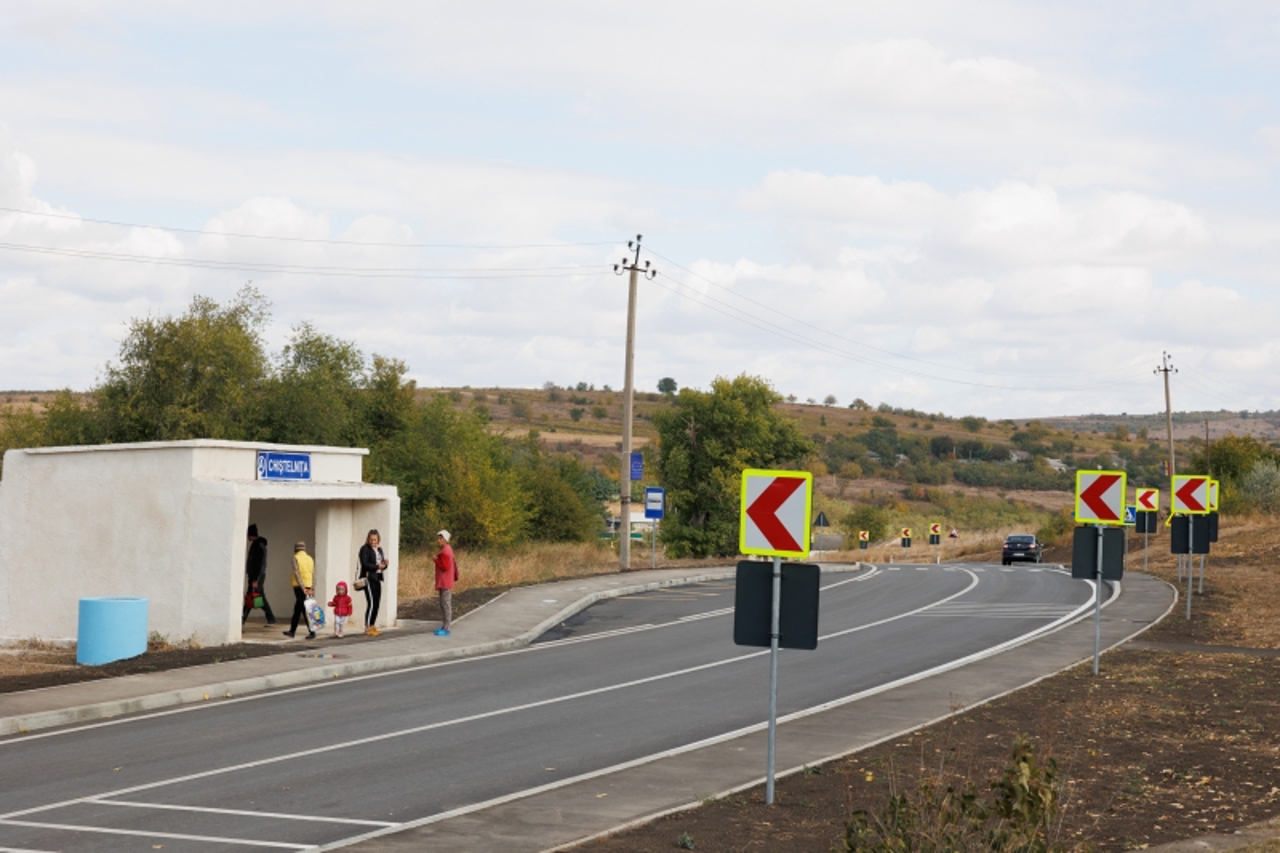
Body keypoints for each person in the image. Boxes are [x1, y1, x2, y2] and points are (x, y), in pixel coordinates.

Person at [242, 524, 276, 626]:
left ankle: (242, 619)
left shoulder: (258, 546)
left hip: (257, 577)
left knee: (253, 596)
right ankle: (270, 618)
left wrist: (255, 579)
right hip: (256, 577)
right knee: (256, 597)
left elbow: (258, 564)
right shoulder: (258, 545)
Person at [283, 540, 316, 640]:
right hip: (309, 585)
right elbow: (313, 573)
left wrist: (302, 588)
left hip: (299, 587)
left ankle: (312, 631)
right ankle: (293, 631)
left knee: (302, 608)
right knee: (300, 608)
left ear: (295, 549)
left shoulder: (295, 558)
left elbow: (297, 574)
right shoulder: (310, 559)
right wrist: (311, 587)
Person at [358, 529, 388, 636]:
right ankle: (367, 626)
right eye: (371, 540)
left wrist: (385, 564)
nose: (373, 542)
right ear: (368, 539)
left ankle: (372, 625)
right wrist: (377, 566)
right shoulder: (364, 549)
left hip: (377, 578)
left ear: (378, 540)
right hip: (369, 578)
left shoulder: (379, 549)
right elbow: (365, 564)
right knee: (371, 602)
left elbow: (381, 564)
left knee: (377, 602)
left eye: (375, 540)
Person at [433, 529, 457, 637]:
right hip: (445, 581)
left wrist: (436, 560)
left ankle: (446, 628)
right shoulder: (447, 550)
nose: (438, 540)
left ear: (445, 539)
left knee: (446, 605)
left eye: (440, 538)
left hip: (445, 582)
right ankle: (444, 626)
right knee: (443, 604)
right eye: (438, 538)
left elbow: (445, 566)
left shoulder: (446, 551)